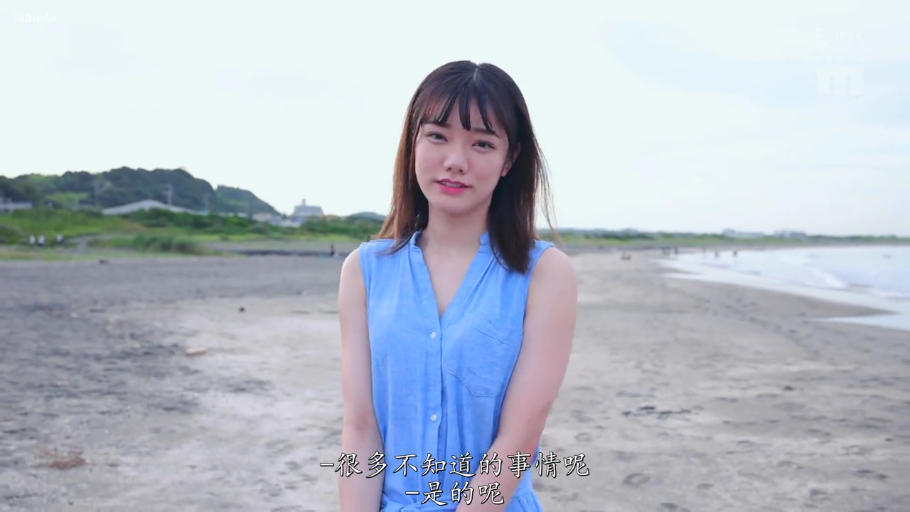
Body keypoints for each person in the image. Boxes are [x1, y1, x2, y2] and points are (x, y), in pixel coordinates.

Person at [336, 60, 578, 511]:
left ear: (510, 159)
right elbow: (361, 428)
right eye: (437, 136)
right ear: (413, 142)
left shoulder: (546, 274)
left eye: (482, 143)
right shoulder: (364, 271)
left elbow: (519, 438)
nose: (455, 161)